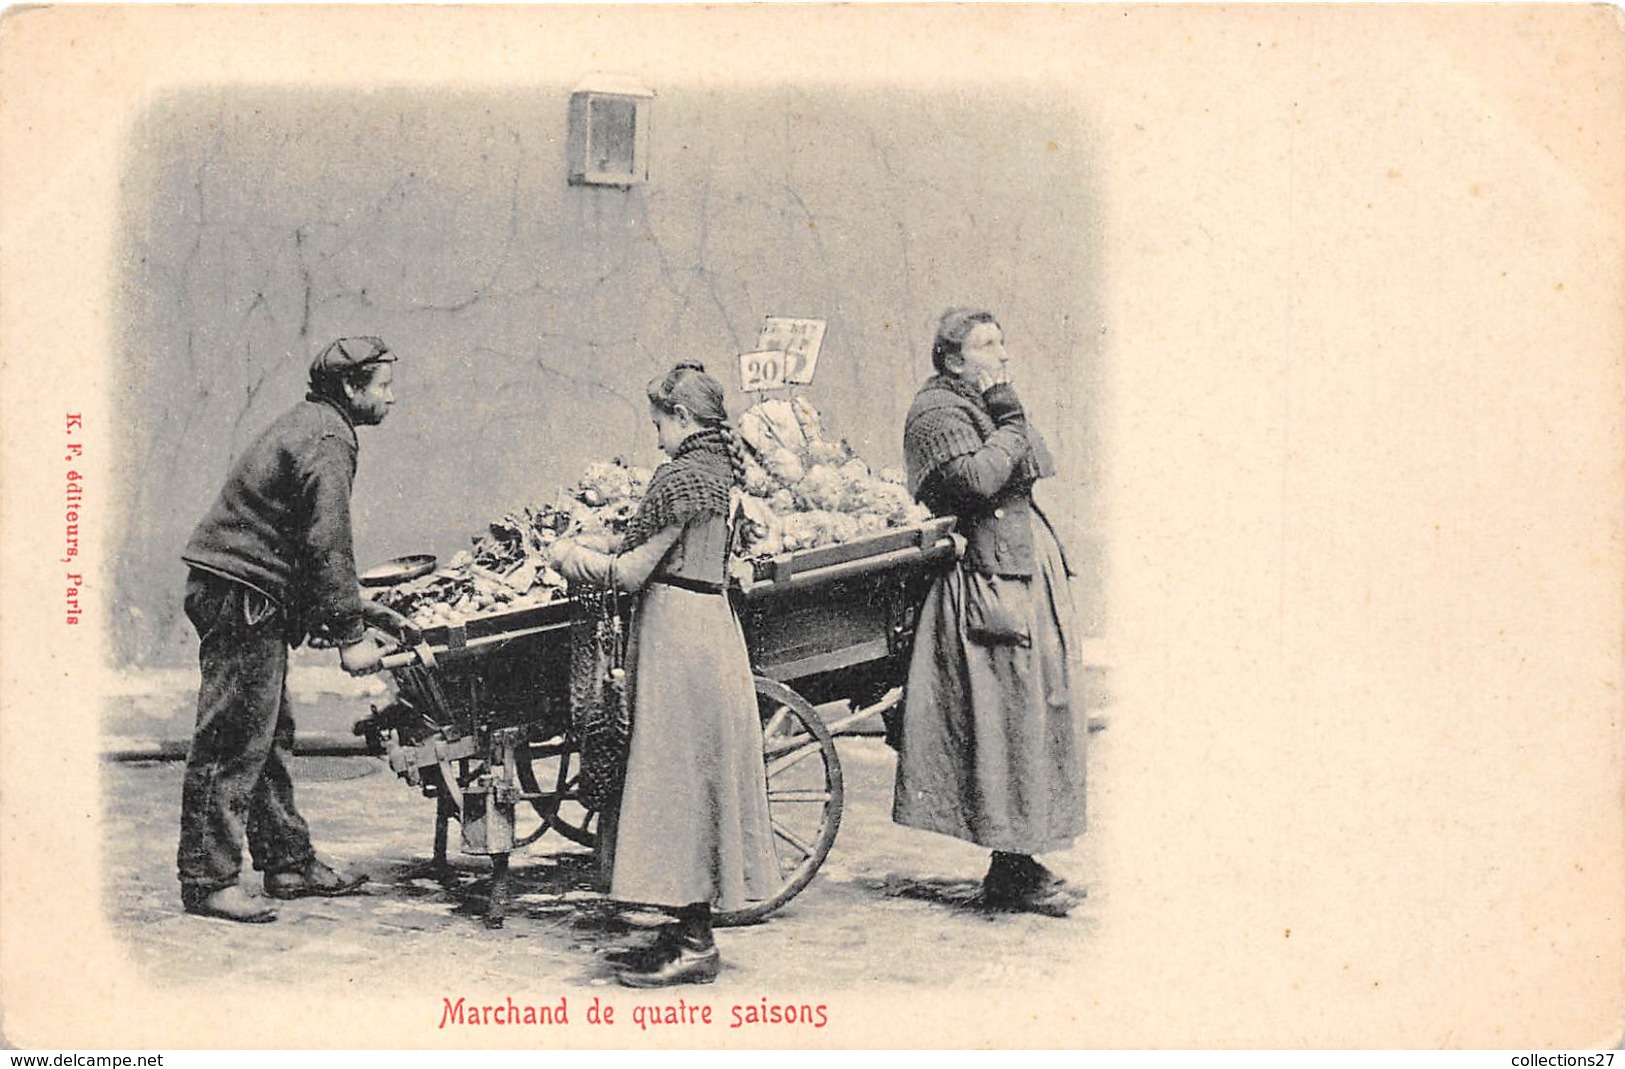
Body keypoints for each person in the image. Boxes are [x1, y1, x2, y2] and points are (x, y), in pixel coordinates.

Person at [552, 360, 777, 987]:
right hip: (706, 632)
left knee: (676, 781)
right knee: (691, 781)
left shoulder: (682, 478)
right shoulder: (720, 474)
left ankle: (696, 943)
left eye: (659, 423)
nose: (656, 436)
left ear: (682, 419)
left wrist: (568, 557)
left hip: (680, 639)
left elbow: (627, 574)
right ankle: (682, 930)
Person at [176, 336, 403, 923]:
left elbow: (304, 543)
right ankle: (208, 879)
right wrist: (352, 634)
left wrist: (361, 611)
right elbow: (326, 544)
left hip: (244, 590)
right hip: (241, 596)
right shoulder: (330, 439)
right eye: (384, 386)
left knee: (267, 730)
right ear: (351, 388)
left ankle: (287, 862)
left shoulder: (315, 423)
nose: (393, 398)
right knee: (233, 736)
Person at [893, 307, 1086, 917]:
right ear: (953, 359)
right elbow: (978, 481)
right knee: (1006, 721)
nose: (1003, 355)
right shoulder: (936, 413)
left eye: (1003, 342)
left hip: (1023, 573)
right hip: (985, 587)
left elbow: (1036, 459)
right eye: (987, 345)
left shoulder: (986, 404)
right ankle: (1013, 867)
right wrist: (1008, 419)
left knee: (1035, 715)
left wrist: (1007, 419)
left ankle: (1018, 863)